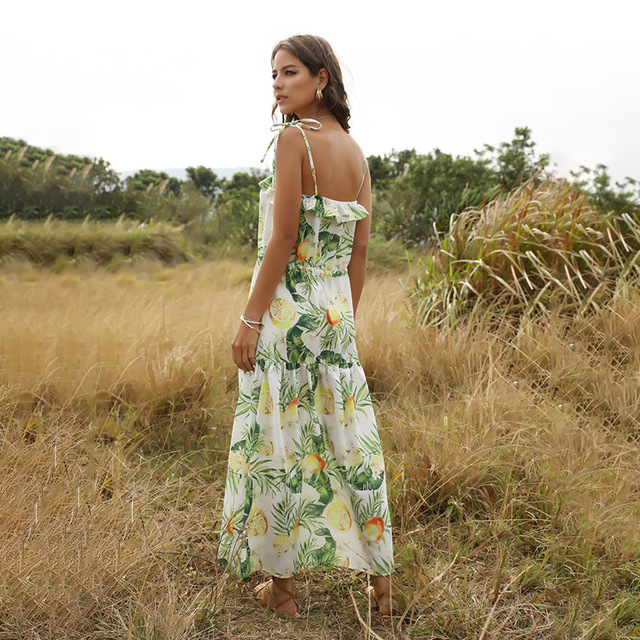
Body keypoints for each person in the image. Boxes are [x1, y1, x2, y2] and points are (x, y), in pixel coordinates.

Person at [217, 34, 395, 617]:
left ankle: (284, 590)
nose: (277, 84)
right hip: (335, 312)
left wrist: (250, 318)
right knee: (349, 441)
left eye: (289, 73)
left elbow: (284, 238)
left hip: (288, 310)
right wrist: (341, 320)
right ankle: (381, 584)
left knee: (281, 442)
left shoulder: (293, 140)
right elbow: (359, 254)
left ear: (321, 79)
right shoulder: (358, 153)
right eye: (273, 75)